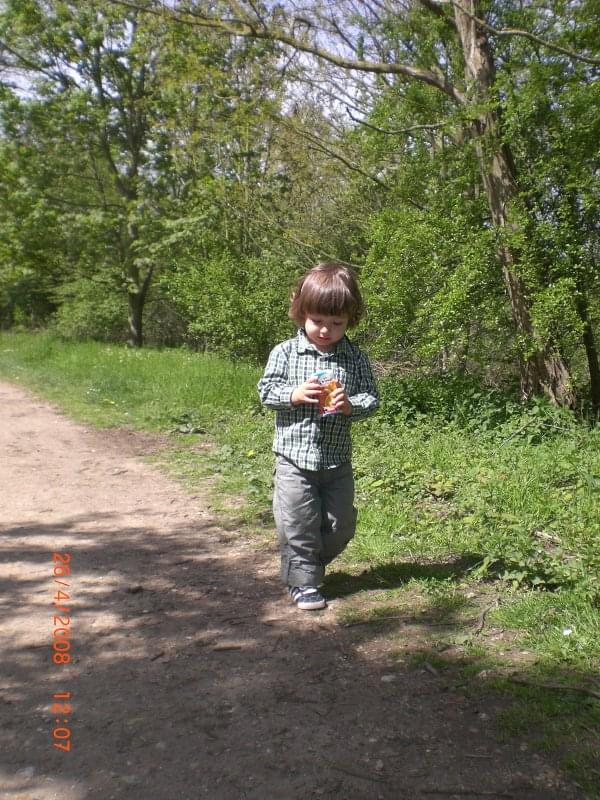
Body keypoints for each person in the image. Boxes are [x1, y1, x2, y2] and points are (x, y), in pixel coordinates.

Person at [257, 262, 380, 610]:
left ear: (350, 319)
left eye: (336, 323)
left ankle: (305, 563)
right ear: (301, 313)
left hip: (336, 460)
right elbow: (266, 391)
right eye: (317, 321)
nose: (326, 330)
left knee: (342, 526)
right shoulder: (285, 352)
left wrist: (351, 405)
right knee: (298, 522)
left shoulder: (355, 358)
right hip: (293, 458)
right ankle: (305, 582)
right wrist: (293, 395)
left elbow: (372, 398)